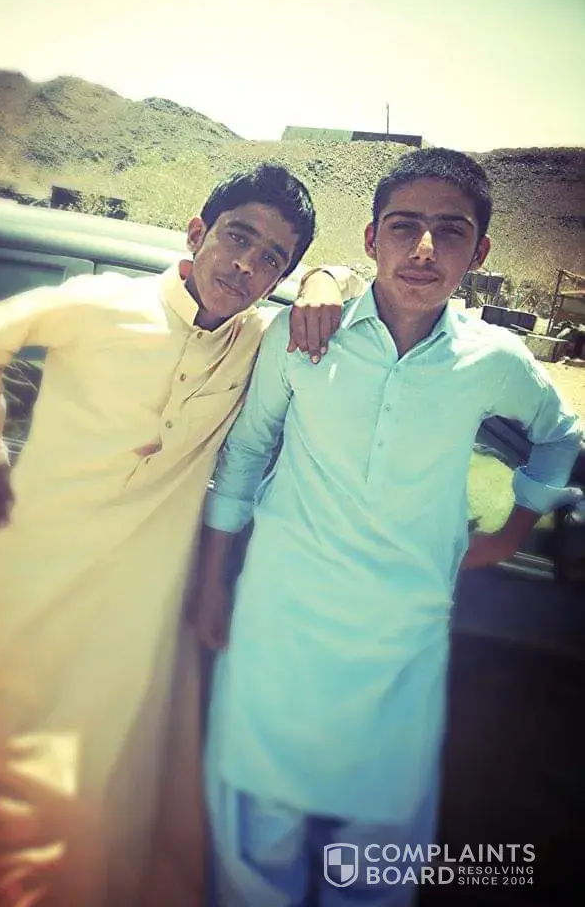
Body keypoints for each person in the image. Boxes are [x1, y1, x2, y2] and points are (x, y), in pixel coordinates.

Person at [0, 163, 365, 907]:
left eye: (271, 258)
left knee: (94, 805)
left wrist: (326, 277)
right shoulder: (102, 303)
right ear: (197, 233)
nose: (246, 265)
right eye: (236, 238)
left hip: (131, 617)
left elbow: (348, 288)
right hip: (22, 597)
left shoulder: (257, 340)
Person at [192, 148, 583, 906]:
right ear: (372, 239)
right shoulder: (302, 333)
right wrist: (213, 586)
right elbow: (243, 457)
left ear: (480, 252)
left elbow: (560, 432)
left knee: (376, 859)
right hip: (278, 626)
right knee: (253, 844)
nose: (424, 249)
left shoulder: (492, 360)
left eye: (450, 231)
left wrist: (510, 533)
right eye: (404, 227)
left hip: (402, 642)